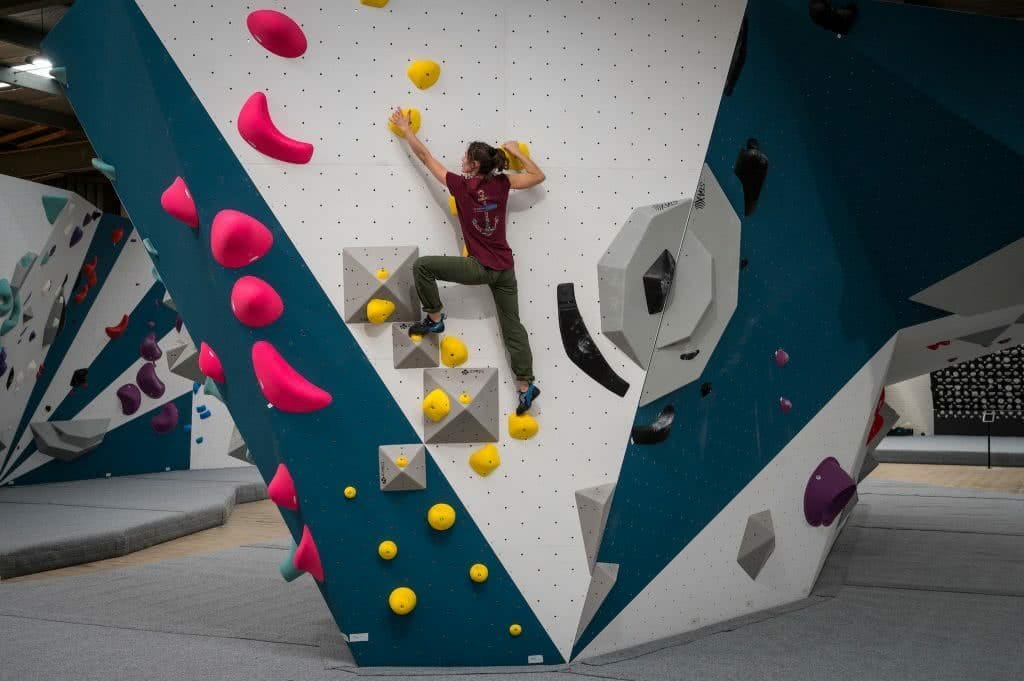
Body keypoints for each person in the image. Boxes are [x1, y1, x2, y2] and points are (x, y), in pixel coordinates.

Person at [389, 107, 545, 415]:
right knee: (513, 326)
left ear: (474, 166)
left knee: (422, 266)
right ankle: (525, 386)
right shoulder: (502, 184)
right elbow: (538, 176)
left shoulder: (461, 186)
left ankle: (435, 318)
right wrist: (516, 152)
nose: (461, 161)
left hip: (481, 268)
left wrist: (407, 131)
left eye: (465, 158)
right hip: (505, 270)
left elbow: (425, 158)